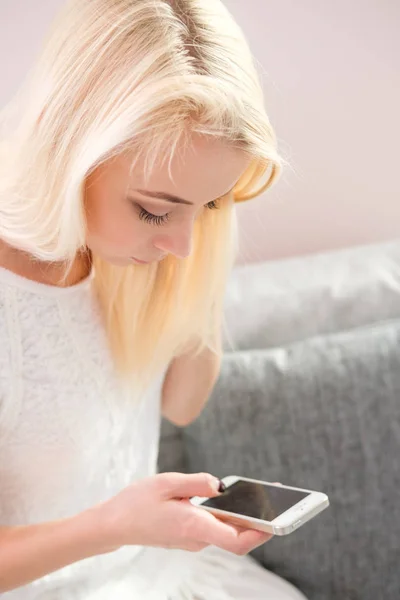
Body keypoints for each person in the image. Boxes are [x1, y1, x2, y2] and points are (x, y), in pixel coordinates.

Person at [0, 1, 307, 598]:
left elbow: (184, 402)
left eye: (211, 203)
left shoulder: (125, 254)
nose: (183, 243)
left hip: (154, 576)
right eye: (155, 209)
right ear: (69, 149)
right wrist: (114, 525)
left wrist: (198, 250)